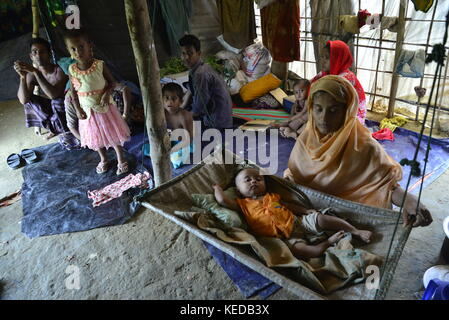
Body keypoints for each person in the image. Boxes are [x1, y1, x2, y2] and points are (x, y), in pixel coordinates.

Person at [284, 75, 433, 228]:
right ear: (311, 108)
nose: (324, 118)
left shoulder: (364, 147)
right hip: (310, 216)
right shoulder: (306, 140)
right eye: (318, 109)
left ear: (347, 111)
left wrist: (409, 200)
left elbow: (385, 185)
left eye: (333, 110)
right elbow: (295, 176)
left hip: (349, 222)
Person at [213, 168, 372, 259]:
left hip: (298, 222)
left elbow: (288, 205)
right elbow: (223, 201)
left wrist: (305, 211)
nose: (254, 181)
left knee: (322, 218)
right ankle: (328, 243)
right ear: (238, 190)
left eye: (258, 179)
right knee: (302, 252)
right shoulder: (242, 204)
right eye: (247, 180)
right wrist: (217, 188)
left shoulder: (272, 196)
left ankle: (355, 231)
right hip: (284, 239)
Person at [64, 29, 130, 175]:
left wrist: (106, 94)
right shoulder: (72, 70)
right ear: (69, 51)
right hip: (87, 111)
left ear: (90, 46)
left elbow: (112, 83)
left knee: (113, 134)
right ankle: (104, 159)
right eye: (73, 49)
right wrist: (77, 109)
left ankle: (121, 159)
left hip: (104, 108)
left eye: (81, 46)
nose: (78, 51)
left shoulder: (99, 65)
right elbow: (73, 93)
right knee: (96, 137)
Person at [14, 37, 69, 139]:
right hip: (54, 110)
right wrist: (22, 77)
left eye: (42, 52)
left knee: (57, 102)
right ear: (31, 56)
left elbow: (54, 95)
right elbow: (23, 100)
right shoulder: (32, 74)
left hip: (69, 108)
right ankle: (54, 129)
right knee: (29, 100)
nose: (38, 55)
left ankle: (63, 129)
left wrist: (36, 72)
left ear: (49, 54)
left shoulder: (59, 70)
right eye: (34, 52)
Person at [178, 34, 233, 130]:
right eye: (183, 53)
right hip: (223, 119)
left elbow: (200, 107)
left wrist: (182, 116)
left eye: (190, 53)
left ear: (199, 53)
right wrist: (182, 105)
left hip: (217, 124)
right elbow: (192, 90)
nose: (186, 57)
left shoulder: (200, 74)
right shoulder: (200, 68)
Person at [311, 40, 367, 125]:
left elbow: (332, 103)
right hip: (332, 112)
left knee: (312, 117)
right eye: (322, 57)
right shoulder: (325, 73)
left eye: (327, 57)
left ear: (338, 59)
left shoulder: (345, 79)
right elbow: (309, 86)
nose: (322, 61)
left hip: (350, 117)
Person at [161, 82, 194, 168]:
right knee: (146, 148)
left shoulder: (184, 116)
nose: (170, 101)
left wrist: (173, 149)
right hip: (170, 140)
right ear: (161, 100)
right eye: (166, 98)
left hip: (184, 143)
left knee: (176, 160)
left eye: (174, 98)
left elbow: (189, 139)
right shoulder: (162, 114)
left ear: (181, 101)